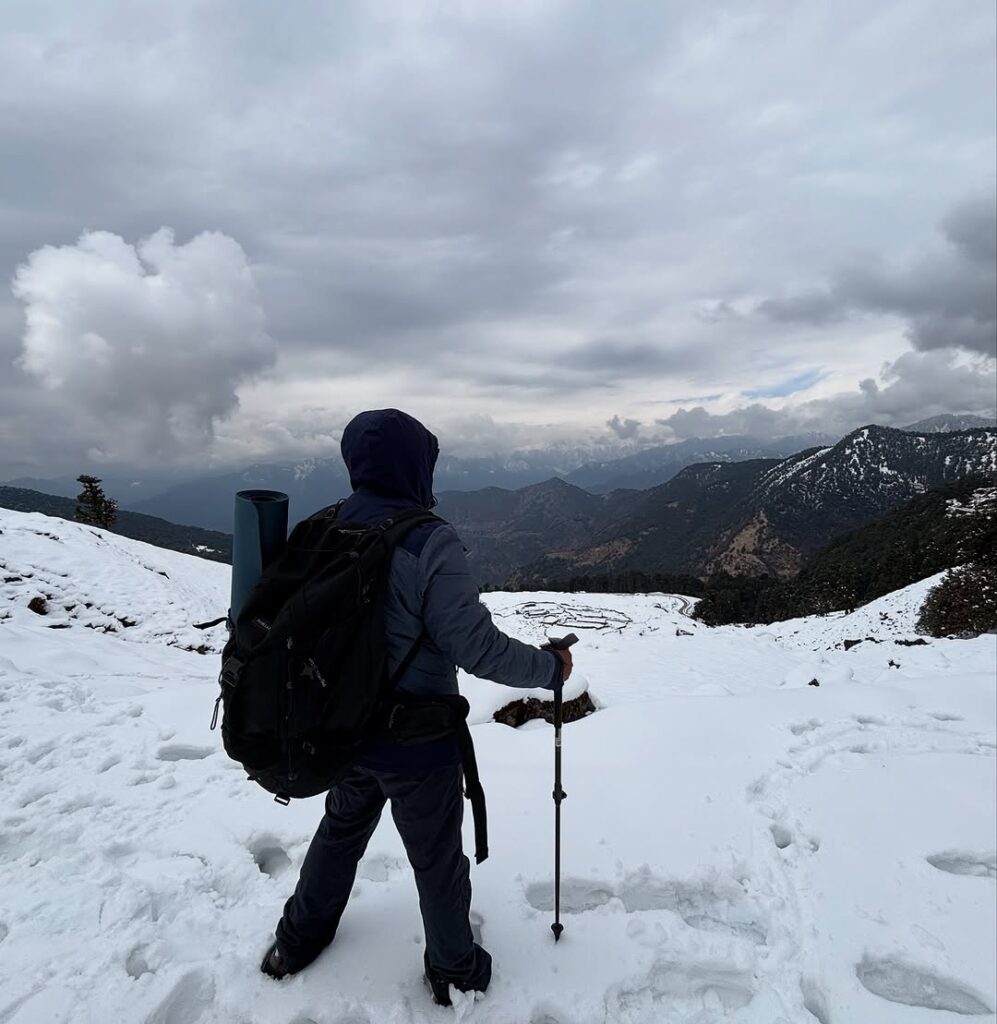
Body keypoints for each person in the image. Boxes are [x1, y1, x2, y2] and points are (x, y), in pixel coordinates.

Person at [260, 408, 572, 1005]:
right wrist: (549, 669)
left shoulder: (323, 528)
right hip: (416, 741)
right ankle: (455, 968)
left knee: (340, 831)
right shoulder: (428, 540)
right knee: (435, 859)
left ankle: (295, 940)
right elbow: (477, 648)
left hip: (340, 731)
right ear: (415, 465)